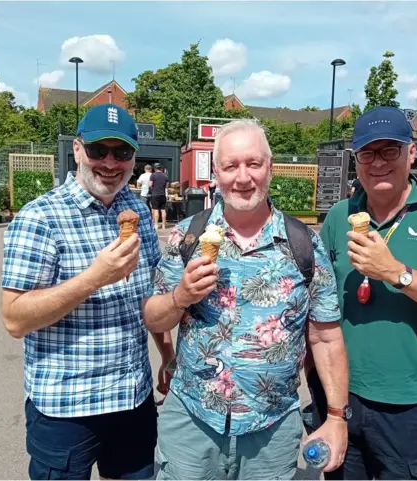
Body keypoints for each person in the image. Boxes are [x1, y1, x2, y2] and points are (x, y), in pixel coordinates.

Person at [143, 120, 350, 480]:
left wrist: (335, 417)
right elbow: (154, 319)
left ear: (270, 168)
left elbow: (325, 337)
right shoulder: (187, 235)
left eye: (253, 164)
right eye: (231, 166)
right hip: (192, 422)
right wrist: (180, 297)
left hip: (271, 430)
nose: (243, 177)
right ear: (216, 173)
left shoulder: (304, 244)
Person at [0, 103, 174, 480]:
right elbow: (14, 318)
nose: (110, 163)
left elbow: (148, 292)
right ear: (78, 150)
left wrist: (167, 353)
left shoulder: (137, 209)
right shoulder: (40, 217)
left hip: (133, 397)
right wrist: (94, 278)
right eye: (99, 150)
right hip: (67, 408)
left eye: (122, 152)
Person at [315, 106, 417, 480]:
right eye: (368, 153)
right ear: (355, 159)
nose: (378, 163)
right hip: (341, 400)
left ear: (411, 152)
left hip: (407, 406)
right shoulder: (339, 215)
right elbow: (317, 304)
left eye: (390, 150)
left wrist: (395, 273)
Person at [149, 163, 169, 230]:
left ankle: (156, 225)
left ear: (155, 168)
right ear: (161, 168)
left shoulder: (153, 175)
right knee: (163, 210)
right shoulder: (165, 175)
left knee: (156, 210)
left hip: (155, 194)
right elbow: (167, 186)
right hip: (162, 195)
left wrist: (153, 188)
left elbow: (150, 184)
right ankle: (163, 225)